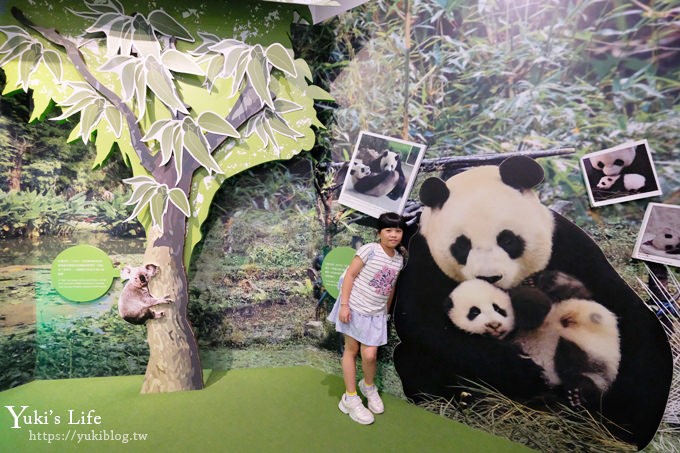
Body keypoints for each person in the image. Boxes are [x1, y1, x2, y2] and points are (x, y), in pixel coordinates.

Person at [327, 212, 407, 424]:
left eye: (398, 231)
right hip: (355, 309)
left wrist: (386, 312)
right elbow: (350, 275)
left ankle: (368, 387)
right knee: (352, 351)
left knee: (370, 355)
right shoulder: (369, 250)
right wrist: (344, 305)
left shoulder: (398, 260)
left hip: (376, 314)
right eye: (388, 230)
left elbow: (390, 288)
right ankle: (350, 399)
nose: (393, 235)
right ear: (379, 233)